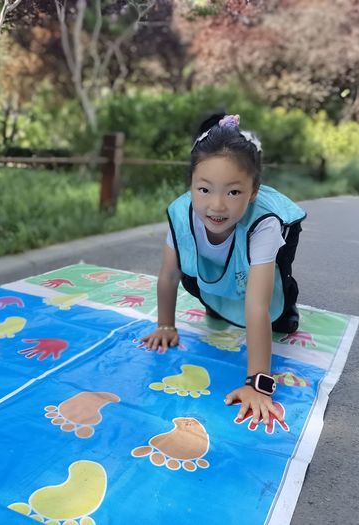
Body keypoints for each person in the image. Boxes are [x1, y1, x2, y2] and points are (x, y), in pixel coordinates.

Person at [141, 112, 306, 427]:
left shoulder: (263, 222)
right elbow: (169, 275)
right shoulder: (181, 213)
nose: (217, 205)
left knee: (276, 314)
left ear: (253, 191)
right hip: (219, 272)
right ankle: (219, 301)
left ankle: (287, 301)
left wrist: (259, 383)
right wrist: (165, 325)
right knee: (198, 279)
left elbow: (257, 305)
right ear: (191, 185)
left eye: (233, 192)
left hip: (263, 266)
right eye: (204, 190)